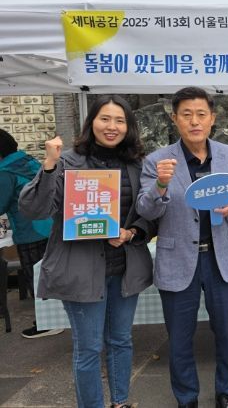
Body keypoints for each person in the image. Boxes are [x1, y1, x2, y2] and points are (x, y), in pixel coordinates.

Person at [18, 95, 155, 408]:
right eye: (104, 118)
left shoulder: (136, 164)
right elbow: (34, 209)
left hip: (124, 268)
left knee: (121, 340)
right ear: (91, 122)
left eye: (119, 120)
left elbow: (149, 213)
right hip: (80, 270)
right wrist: (49, 166)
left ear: (129, 126)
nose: (111, 126)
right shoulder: (67, 161)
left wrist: (132, 232)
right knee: (89, 347)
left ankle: (120, 402)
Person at [137, 87, 228, 408]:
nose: (194, 121)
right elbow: (146, 211)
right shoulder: (157, 161)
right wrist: (160, 184)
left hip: (221, 258)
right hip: (177, 258)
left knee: (227, 332)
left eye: (201, 114)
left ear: (212, 118)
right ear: (175, 119)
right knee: (180, 337)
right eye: (186, 115)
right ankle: (186, 397)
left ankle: (226, 392)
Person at [0, 129, 61, 339]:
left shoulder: (5, 171)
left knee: (35, 277)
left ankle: (47, 323)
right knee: (48, 274)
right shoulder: (28, 161)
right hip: (49, 225)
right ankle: (56, 316)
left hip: (30, 229)